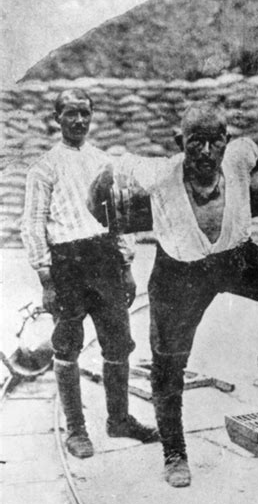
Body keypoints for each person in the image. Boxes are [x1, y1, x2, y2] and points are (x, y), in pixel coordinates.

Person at [91, 101, 258, 488]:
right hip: (179, 272)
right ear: (179, 142)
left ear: (225, 142)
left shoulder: (237, 158)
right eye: (195, 142)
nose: (205, 152)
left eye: (213, 142)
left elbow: (254, 151)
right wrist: (103, 213)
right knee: (167, 363)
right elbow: (113, 167)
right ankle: (174, 452)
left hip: (237, 259)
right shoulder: (159, 173)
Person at [21, 89, 159, 459]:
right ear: (57, 118)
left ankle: (119, 420)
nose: (79, 121)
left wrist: (127, 265)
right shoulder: (44, 168)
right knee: (67, 344)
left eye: (84, 113)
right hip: (66, 264)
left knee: (118, 341)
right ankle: (77, 430)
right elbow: (33, 226)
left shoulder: (103, 163)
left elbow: (120, 217)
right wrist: (46, 279)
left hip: (105, 259)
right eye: (70, 114)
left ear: (92, 114)